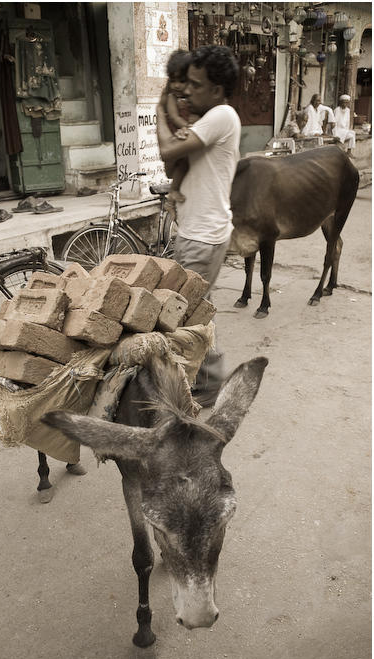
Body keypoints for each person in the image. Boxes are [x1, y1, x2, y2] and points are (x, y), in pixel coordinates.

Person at [156, 44, 240, 407]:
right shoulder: (208, 117)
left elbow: (166, 151)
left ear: (217, 90)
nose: (186, 91)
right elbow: (175, 164)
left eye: (195, 84)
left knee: (187, 314)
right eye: (183, 83)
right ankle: (208, 379)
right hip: (198, 233)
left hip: (202, 237)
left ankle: (207, 383)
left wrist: (160, 110)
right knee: (197, 309)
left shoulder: (221, 114)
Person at [162, 49, 200, 220]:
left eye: (182, 81)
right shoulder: (171, 98)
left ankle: (173, 196)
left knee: (185, 164)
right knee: (181, 164)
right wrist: (189, 128)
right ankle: (173, 193)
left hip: (185, 137)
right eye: (173, 81)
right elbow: (175, 117)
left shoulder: (193, 99)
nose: (177, 85)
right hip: (176, 136)